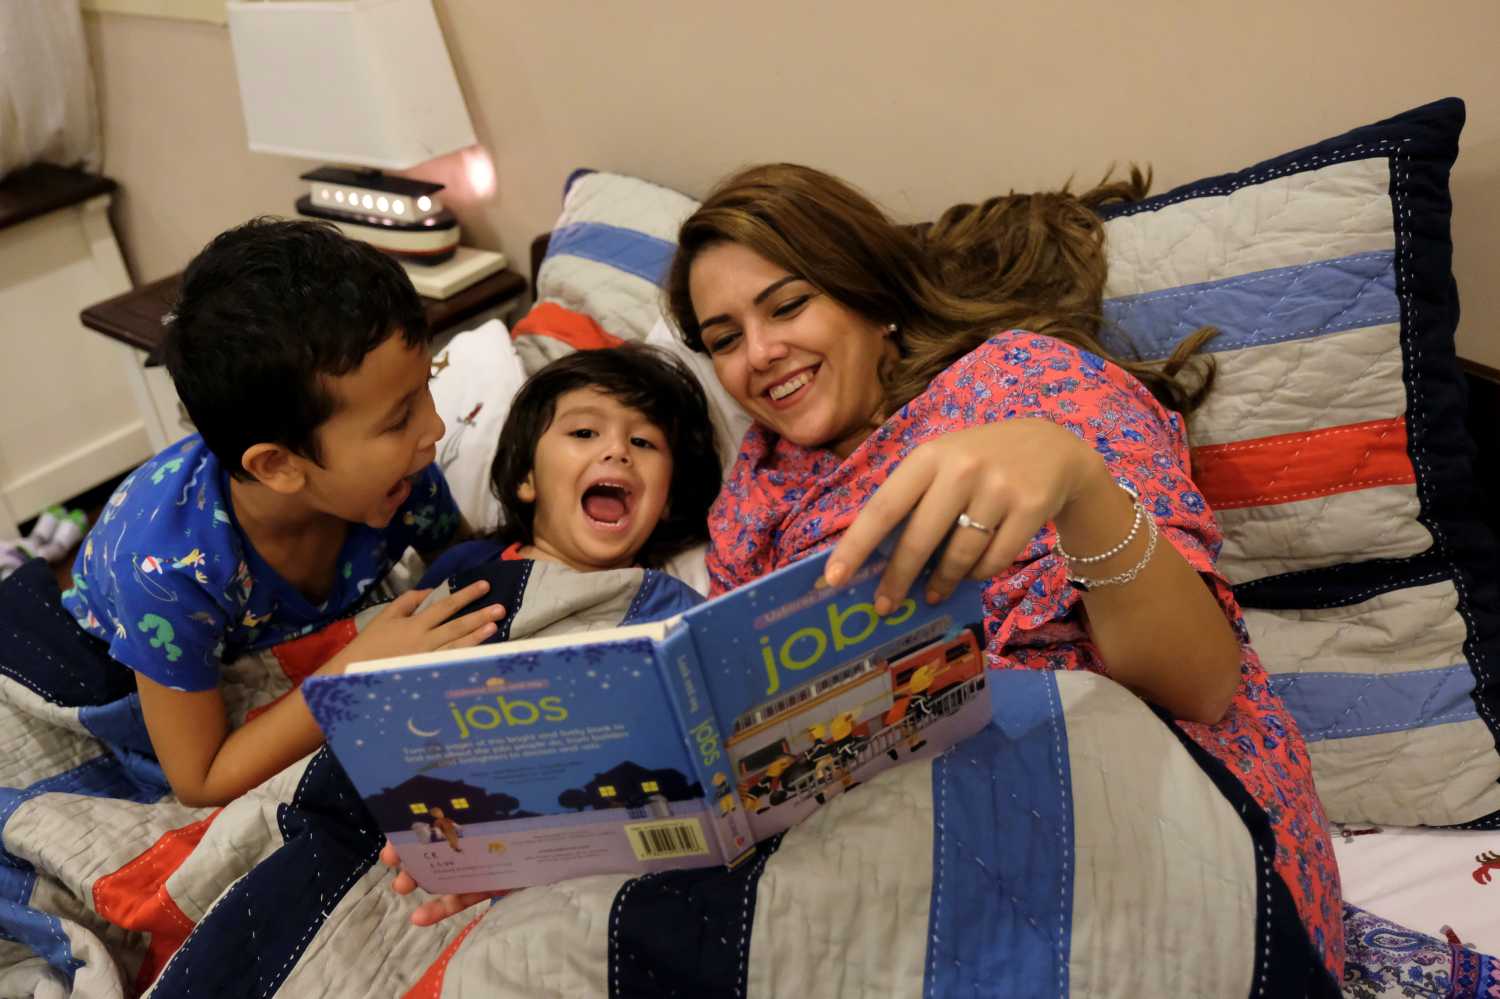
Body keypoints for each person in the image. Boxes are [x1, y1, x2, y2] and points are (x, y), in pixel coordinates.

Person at [662, 163, 1342, 978]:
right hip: (878, 837)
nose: (761, 354)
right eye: (725, 338)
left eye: (787, 304)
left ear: (871, 296)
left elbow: (1201, 684)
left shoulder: (1023, 383)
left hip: (1124, 790)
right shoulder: (753, 496)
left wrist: (1079, 483)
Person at [56, 219, 502, 807]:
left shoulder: (397, 479)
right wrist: (355, 673)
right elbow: (200, 779)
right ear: (278, 466)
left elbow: (461, 558)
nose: (435, 429)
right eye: (398, 419)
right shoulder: (165, 573)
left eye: (427, 388)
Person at [380, 344, 722, 924]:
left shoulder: (669, 609)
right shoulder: (466, 568)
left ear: (665, 505)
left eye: (644, 442)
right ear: (526, 479)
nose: (617, 448)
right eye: (585, 432)